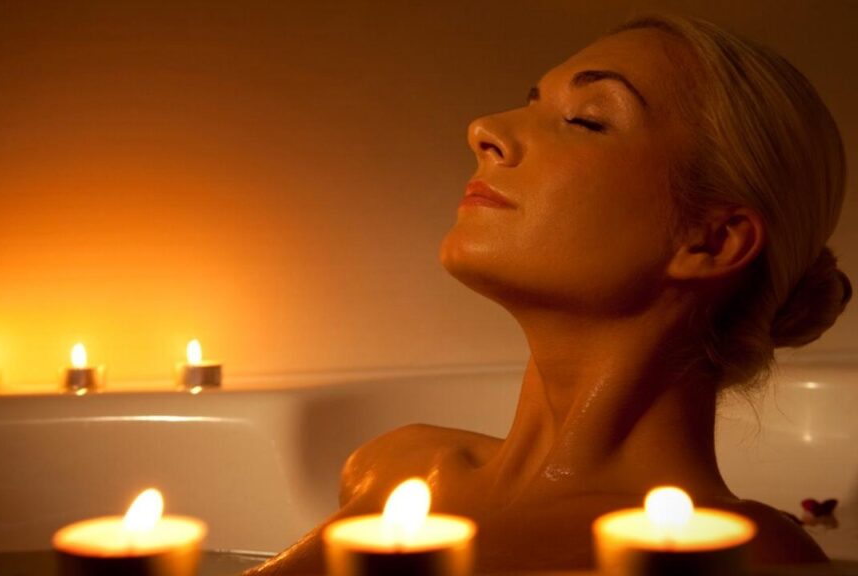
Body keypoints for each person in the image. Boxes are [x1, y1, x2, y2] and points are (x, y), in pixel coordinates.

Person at [245, 13, 851, 574]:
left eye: (587, 119)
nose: (484, 129)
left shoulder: (742, 556)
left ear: (713, 239)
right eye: (531, 101)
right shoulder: (394, 467)